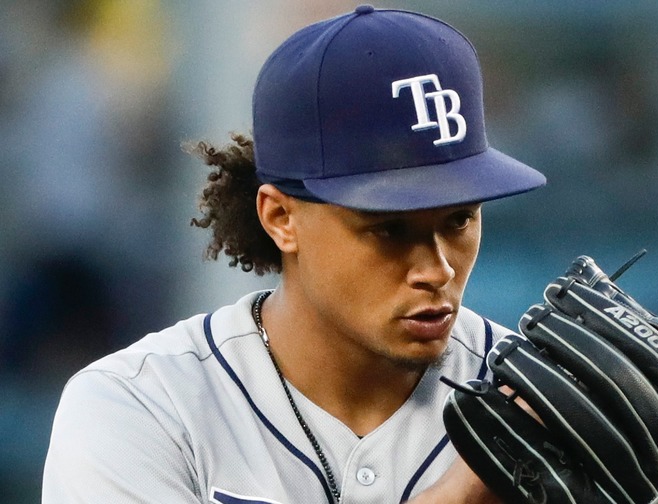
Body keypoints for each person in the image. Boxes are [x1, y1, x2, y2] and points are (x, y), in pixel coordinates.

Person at [42, 5, 547, 503]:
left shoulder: (549, 407)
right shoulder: (142, 407)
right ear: (281, 218)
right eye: (390, 229)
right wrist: (459, 495)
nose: (437, 270)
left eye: (458, 220)